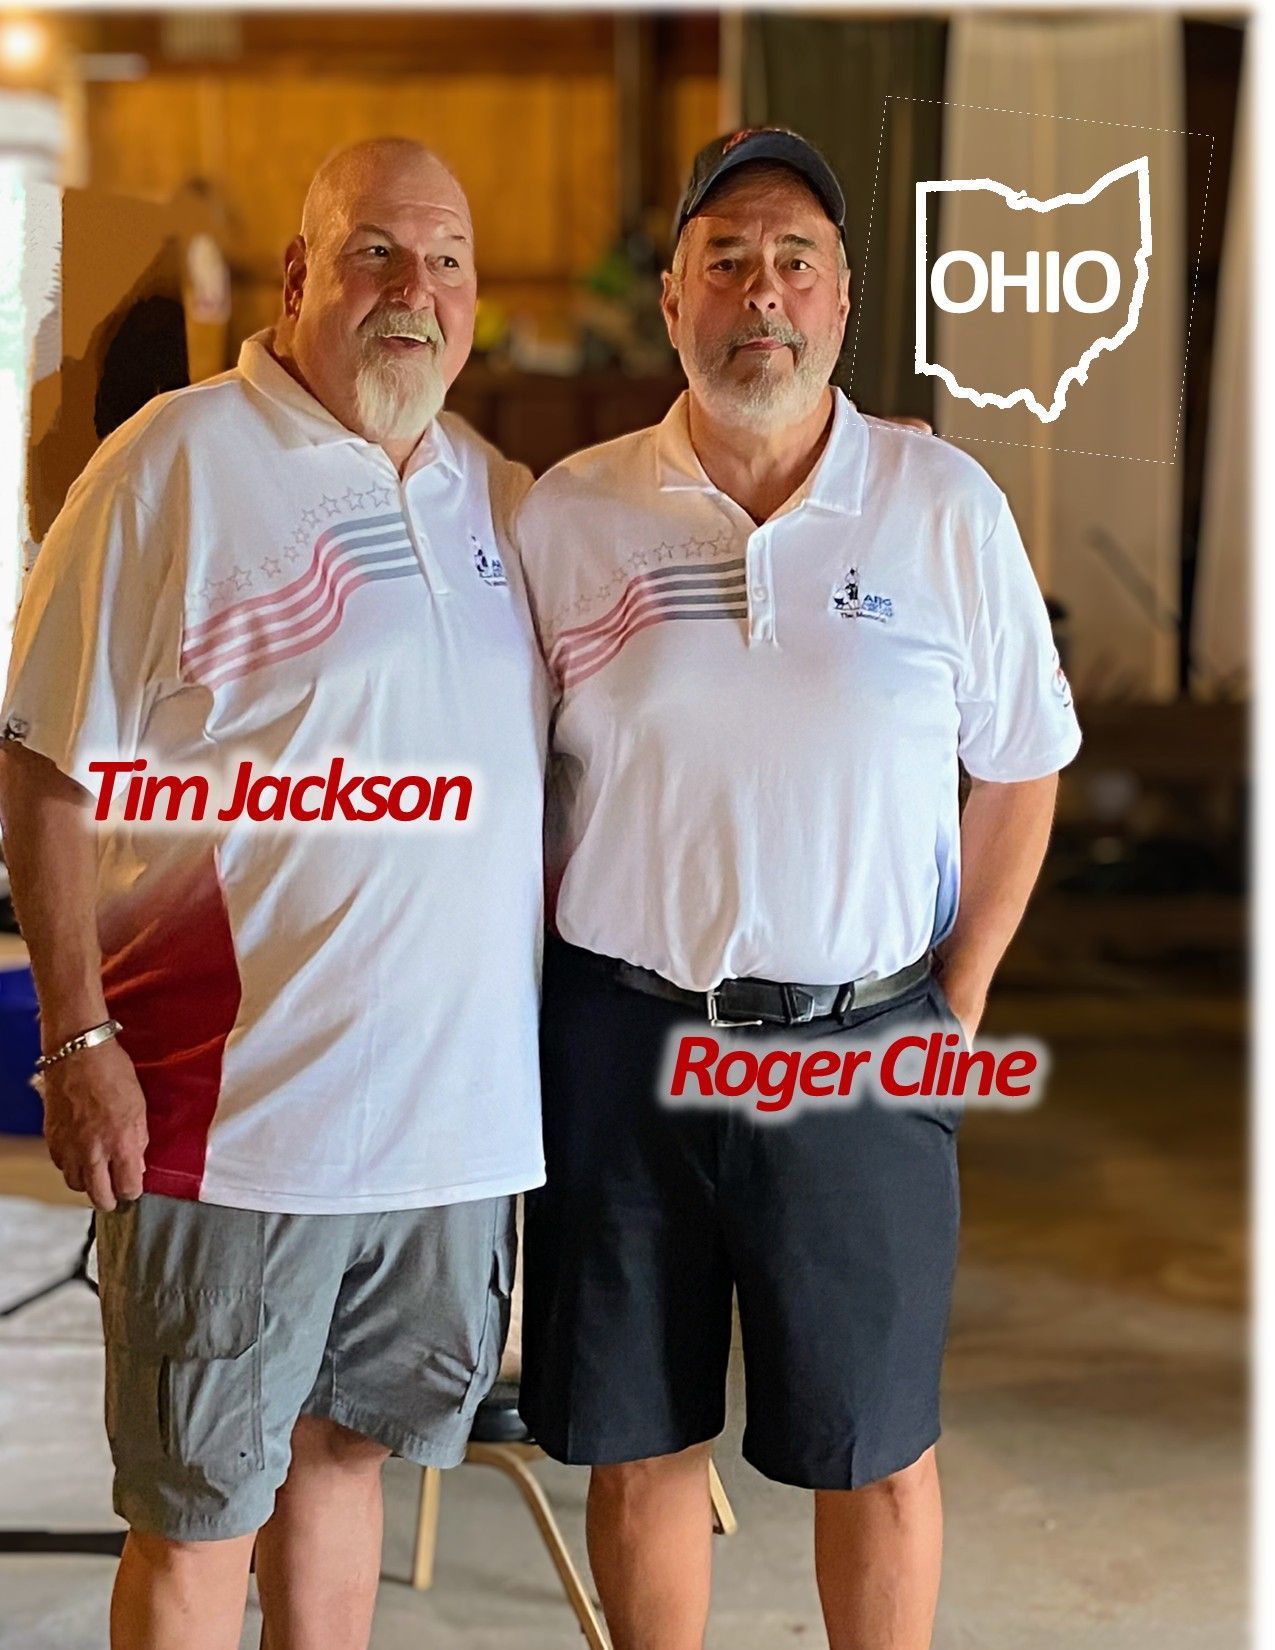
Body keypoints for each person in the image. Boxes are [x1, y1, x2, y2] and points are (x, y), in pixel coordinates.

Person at [514, 128, 1083, 1650]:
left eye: (794, 261)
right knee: (639, 1441)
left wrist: (957, 1002)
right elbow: (512, 787)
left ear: (842, 300)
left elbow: (1024, 764)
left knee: (876, 1449)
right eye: (726, 261)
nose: (760, 292)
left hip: (864, 1043)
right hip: (623, 1040)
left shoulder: (942, 501)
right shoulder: (568, 516)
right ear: (673, 301)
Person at [0, 138, 548, 1650]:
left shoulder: (489, 493)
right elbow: (43, 768)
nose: (414, 290)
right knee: (198, 1518)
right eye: (377, 251)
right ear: (300, 274)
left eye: (446, 262)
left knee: (344, 1463)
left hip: (447, 1129)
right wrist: (77, 1039)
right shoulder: (174, 463)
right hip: (234, 1120)